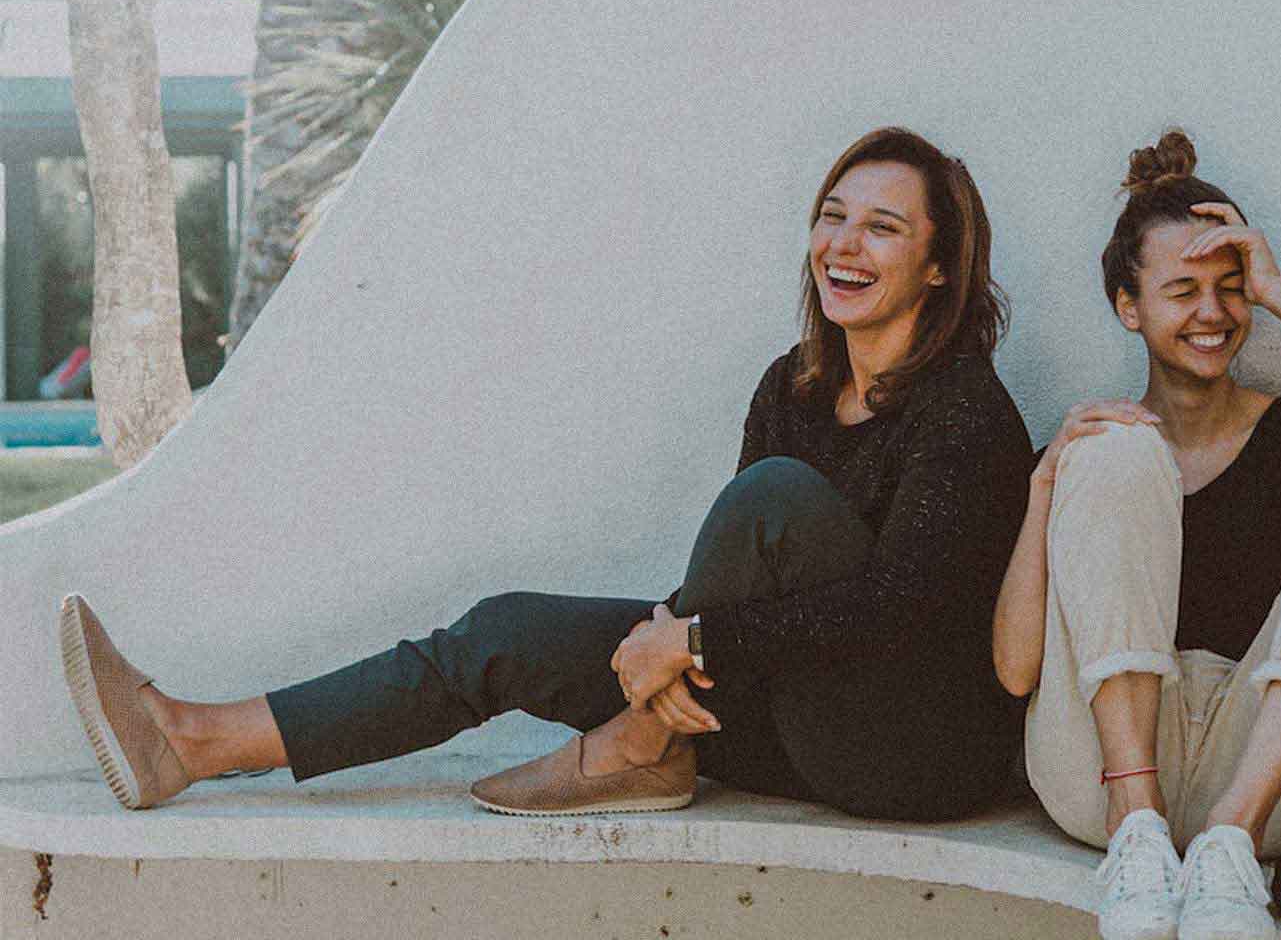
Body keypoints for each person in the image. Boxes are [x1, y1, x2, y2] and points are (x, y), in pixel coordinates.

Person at [61, 126, 1033, 823]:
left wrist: (688, 635)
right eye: (833, 216)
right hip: (790, 712)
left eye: (883, 228)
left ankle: (645, 748)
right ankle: (192, 741)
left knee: (769, 498)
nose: (844, 245)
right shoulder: (796, 383)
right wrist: (675, 641)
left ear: (940, 267)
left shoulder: (962, 411)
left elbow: (903, 609)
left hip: (911, 755)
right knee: (503, 632)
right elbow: (740, 583)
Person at [993, 130, 1281, 940]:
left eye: (1229, 288)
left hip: (1263, 779)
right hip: (1101, 776)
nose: (1211, 312)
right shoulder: (1093, 453)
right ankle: (1139, 830)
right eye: (1182, 289)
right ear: (1129, 307)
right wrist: (1044, 484)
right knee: (1117, 447)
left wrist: (1279, 290)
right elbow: (1017, 671)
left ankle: (1229, 841)